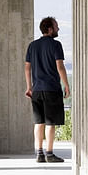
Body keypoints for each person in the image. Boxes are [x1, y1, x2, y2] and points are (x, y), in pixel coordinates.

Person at [25, 16, 70, 163]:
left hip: (37, 90)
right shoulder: (56, 45)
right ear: (49, 29)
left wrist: (29, 87)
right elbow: (60, 67)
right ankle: (49, 153)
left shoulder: (32, 45)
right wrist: (66, 85)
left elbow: (27, 68)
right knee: (50, 123)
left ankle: (39, 153)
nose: (58, 29)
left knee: (39, 122)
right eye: (56, 26)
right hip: (51, 89)